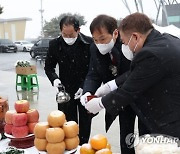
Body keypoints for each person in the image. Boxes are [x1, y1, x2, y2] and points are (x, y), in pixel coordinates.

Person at [85, 12, 180, 139]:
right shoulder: (167, 40)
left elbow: (129, 90)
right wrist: (111, 85)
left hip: (170, 121)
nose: (125, 46)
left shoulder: (149, 53)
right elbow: (140, 72)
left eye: (124, 42)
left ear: (135, 37)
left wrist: (101, 103)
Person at [80, 14, 137, 154]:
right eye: (95, 40)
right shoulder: (94, 48)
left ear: (115, 33)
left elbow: (135, 71)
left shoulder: (128, 44)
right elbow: (93, 73)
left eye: (103, 39)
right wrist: (87, 91)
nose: (99, 43)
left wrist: (112, 85)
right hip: (118, 99)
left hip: (138, 94)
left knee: (147, 135)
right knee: (126, 133)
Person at [44, 15, 93, 145]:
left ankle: (83, 146)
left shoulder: (88, 43)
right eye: (64, 34)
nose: (68, 38)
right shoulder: (55, 44)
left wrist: (85, 86)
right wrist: (55, 80)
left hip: (85, 87)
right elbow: (49, 67)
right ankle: (71, 146)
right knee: (67, 123)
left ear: (78, 30)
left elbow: (93, 69)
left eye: (71, 35)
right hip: (64, 89)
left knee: (85, 120)